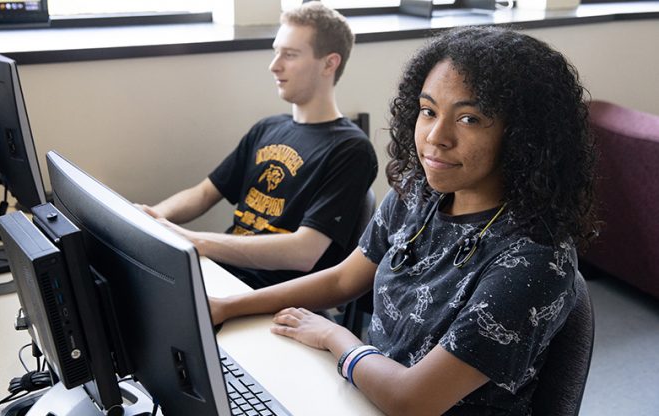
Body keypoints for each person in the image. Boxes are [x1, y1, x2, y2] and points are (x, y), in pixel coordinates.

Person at [209, 25, 597, 415]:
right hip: (361, 393)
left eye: (469, 119)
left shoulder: (536, 258)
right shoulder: (419, 192)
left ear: (523, 136)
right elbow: (345, 279)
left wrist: (334, 336)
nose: (436, 136)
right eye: (428, 111)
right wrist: (230, 306)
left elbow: (412, 401)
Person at [138, 2, 377, 289]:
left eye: (289, 55)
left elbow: (305, 252)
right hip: (220, 274)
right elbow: (203, 194)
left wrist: (194, 241)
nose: (274, 66)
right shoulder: (267, 128)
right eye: (276, 52)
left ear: (329, 63)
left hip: (267, 293)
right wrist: (149, 218)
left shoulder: (351, 149)